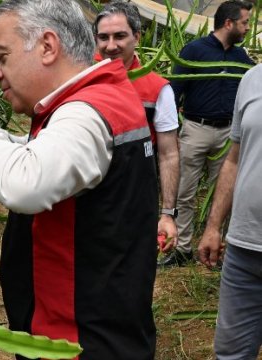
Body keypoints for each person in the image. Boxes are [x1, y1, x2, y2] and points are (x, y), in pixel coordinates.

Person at [0, 0, 158, 358]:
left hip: (77, 344)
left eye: (2, 56)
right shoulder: (104, 98)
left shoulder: (84, 114)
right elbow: (41, 151)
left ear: (48, 46)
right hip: (106, 325)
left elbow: (26, 183)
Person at [160, 0, 254, 267]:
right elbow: (173, 91)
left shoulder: (241, 58)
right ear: (228, 23)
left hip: (228, 135)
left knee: (222, 195)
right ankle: (182, 249)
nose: (247, 27)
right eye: (244, 22)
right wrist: (173, 131)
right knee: (185, 191)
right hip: (195, 128)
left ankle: (216, 250)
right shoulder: (194, 50)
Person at [94, 0, 180, 253]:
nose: (111, 46)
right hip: (85, 198)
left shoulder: (157, 89)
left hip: (133, 200)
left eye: (120, 36)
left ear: (137, 37)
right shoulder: (80, 77)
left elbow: (169, 153)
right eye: (103, 37)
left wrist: (167, 213)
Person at [197, 64, 262, 359]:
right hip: (242, 251)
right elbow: (235, 159)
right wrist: (213, 227)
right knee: (231, 353)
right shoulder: (252, 79)